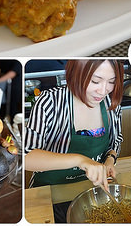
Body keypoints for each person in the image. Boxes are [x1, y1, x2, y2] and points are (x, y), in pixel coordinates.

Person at [24, 60, 124, 191]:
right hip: (48, 191)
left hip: (90, 190)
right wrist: (80, 160)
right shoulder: (50, 101)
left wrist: (110, 159)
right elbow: (27, 157)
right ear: (76, 74)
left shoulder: (110, 104)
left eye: (111, 81)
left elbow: (115, 141)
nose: (103, 91)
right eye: (95, 81)